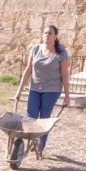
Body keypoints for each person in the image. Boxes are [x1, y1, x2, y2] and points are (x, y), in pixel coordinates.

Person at [14, 24, 71, 159]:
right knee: (31, 116)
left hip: (52, 90)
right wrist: (19, 90)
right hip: (35, 88)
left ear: (55, 36)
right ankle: (32, 141)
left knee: (44, 118)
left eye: (50, 33)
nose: (47, 35)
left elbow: (64, 75)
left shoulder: (61, 53)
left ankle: (41, 144)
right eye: (45, 33)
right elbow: (28, 70)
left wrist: (67, 96)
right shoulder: (35, 49)